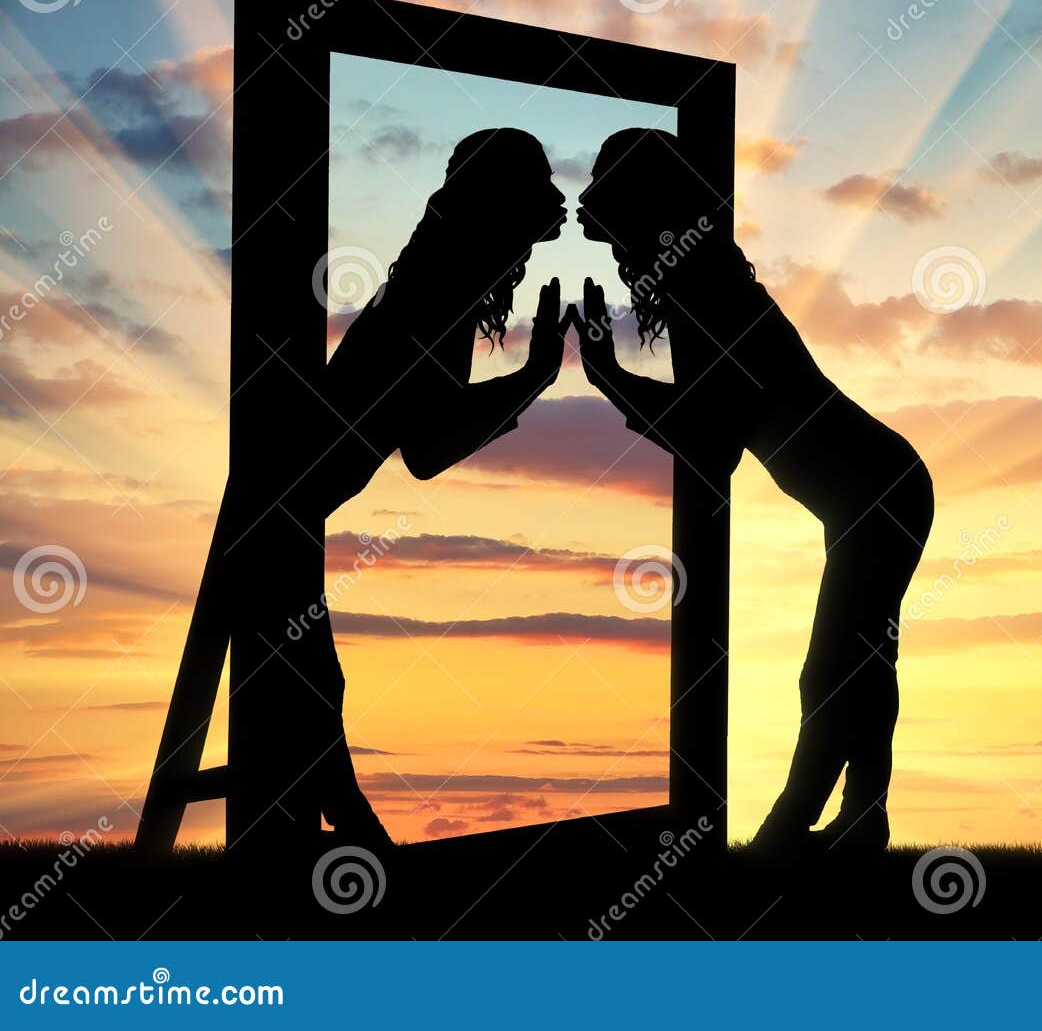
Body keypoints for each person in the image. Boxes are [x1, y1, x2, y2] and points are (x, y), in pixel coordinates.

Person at [572, 128, 934, 854]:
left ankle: (786, 832)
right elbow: (710, 422)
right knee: (862, 662)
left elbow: (711, 442)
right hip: (878, 492)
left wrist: (611, 379)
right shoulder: (698, 286)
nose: (616, 256)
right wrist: (619, 380)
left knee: (832, 670)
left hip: (877, 494)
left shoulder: (709, 293)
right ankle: (864, 819)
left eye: (620, 237)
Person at [289, 127, 571, 846]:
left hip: (292, 510)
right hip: (284, 511)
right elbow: (430, 448)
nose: (527, 253)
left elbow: (426, 436)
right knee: (314, 686)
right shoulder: (437, 295)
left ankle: (347, 835)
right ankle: (354, 837)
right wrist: (534, 378)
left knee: (315, 686)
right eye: (525, 235)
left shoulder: (431, 282)